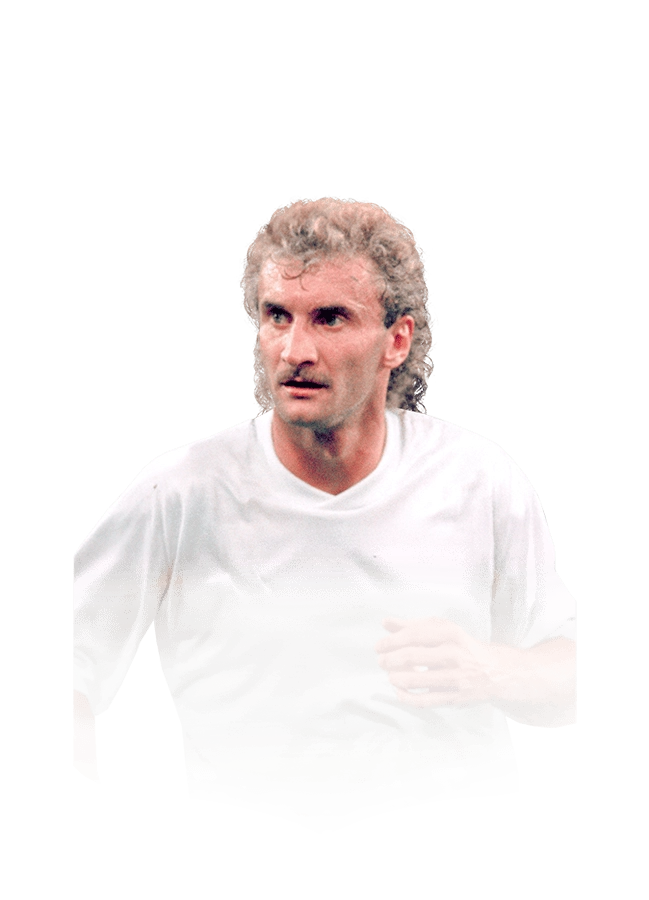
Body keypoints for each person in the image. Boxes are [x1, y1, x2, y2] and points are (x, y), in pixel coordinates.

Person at [72, 197, 577, 832]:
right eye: (276, 316)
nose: (295, 350)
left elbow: (576, 685)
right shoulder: (178, 492)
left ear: (397, 340)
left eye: (330, 318)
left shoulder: (480, 477)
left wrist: (492, 670)